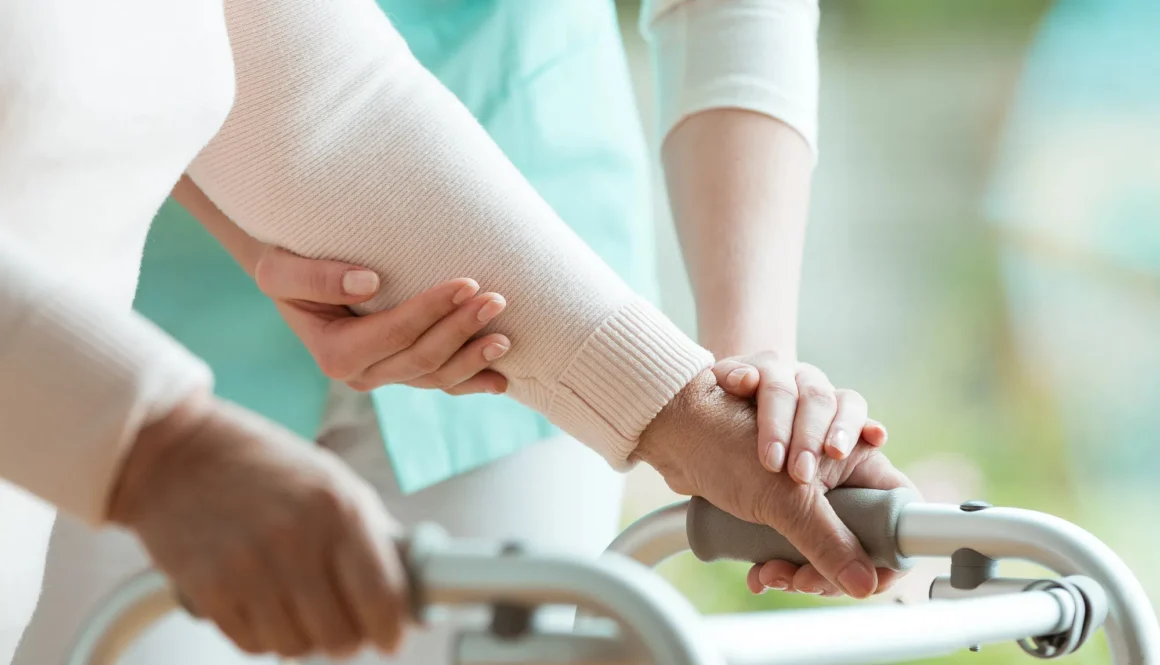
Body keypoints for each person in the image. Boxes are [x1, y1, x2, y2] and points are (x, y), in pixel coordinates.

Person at [0, 0, 913, 663]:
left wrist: (713, 397)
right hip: (128, 318)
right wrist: (153, 443)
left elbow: (313, 90)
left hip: (515, 267)